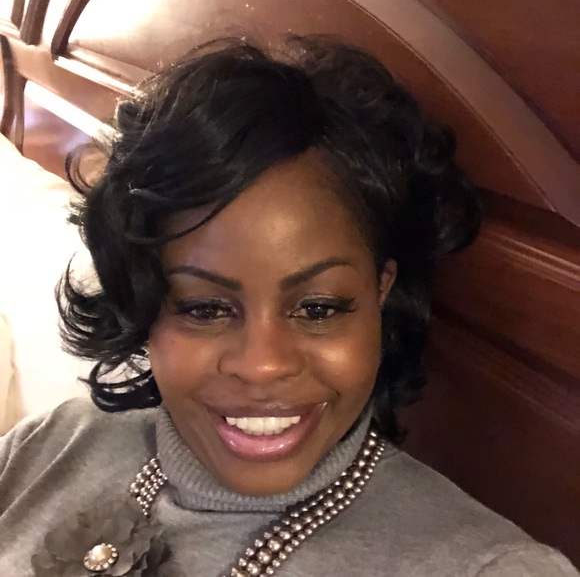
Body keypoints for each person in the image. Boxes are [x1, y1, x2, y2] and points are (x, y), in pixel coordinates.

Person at [0, 36, 577, 576]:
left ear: (381, 291)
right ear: (143, 302)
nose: (263, 365)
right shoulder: (50, 444)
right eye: (204, 308)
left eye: (319, 308)